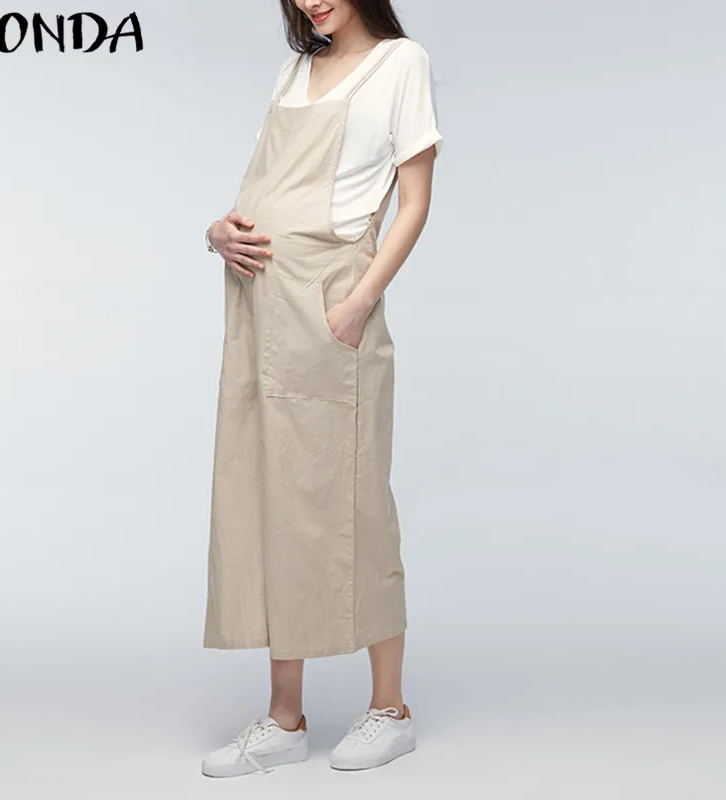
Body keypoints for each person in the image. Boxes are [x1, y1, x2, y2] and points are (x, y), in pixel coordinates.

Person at [201, 0, 443, 777]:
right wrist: (218, 232)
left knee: (353, 500)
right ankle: (285, 719)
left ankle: (390, 710)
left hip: (332, 299)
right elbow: (261, 190)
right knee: (272, 497)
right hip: (259, 302)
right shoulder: (295, 69)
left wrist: (359, 301)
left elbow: (414, 202)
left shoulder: (400, 64)